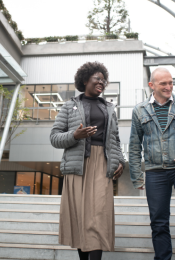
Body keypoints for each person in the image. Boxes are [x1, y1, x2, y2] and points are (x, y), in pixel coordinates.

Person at [50, 61, 125, 260]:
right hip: (78, 166)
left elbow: (115, 140)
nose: (102, 82)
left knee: (98, 216)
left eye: (104, 79)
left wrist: (120, 161)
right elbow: (54, 137)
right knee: (80, 217)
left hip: (102, 165)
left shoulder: (108, 108)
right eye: (97, 78)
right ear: (85, 80)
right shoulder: (69, 106)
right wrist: (75, 135)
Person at [129, 67, 175, 260]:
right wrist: (137, 176)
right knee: (159, 221)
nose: (168, 86)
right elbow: (135, 145)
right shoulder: (139, 110)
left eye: (170, 82)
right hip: (155, 172)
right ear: (152, 85)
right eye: (163, 83)